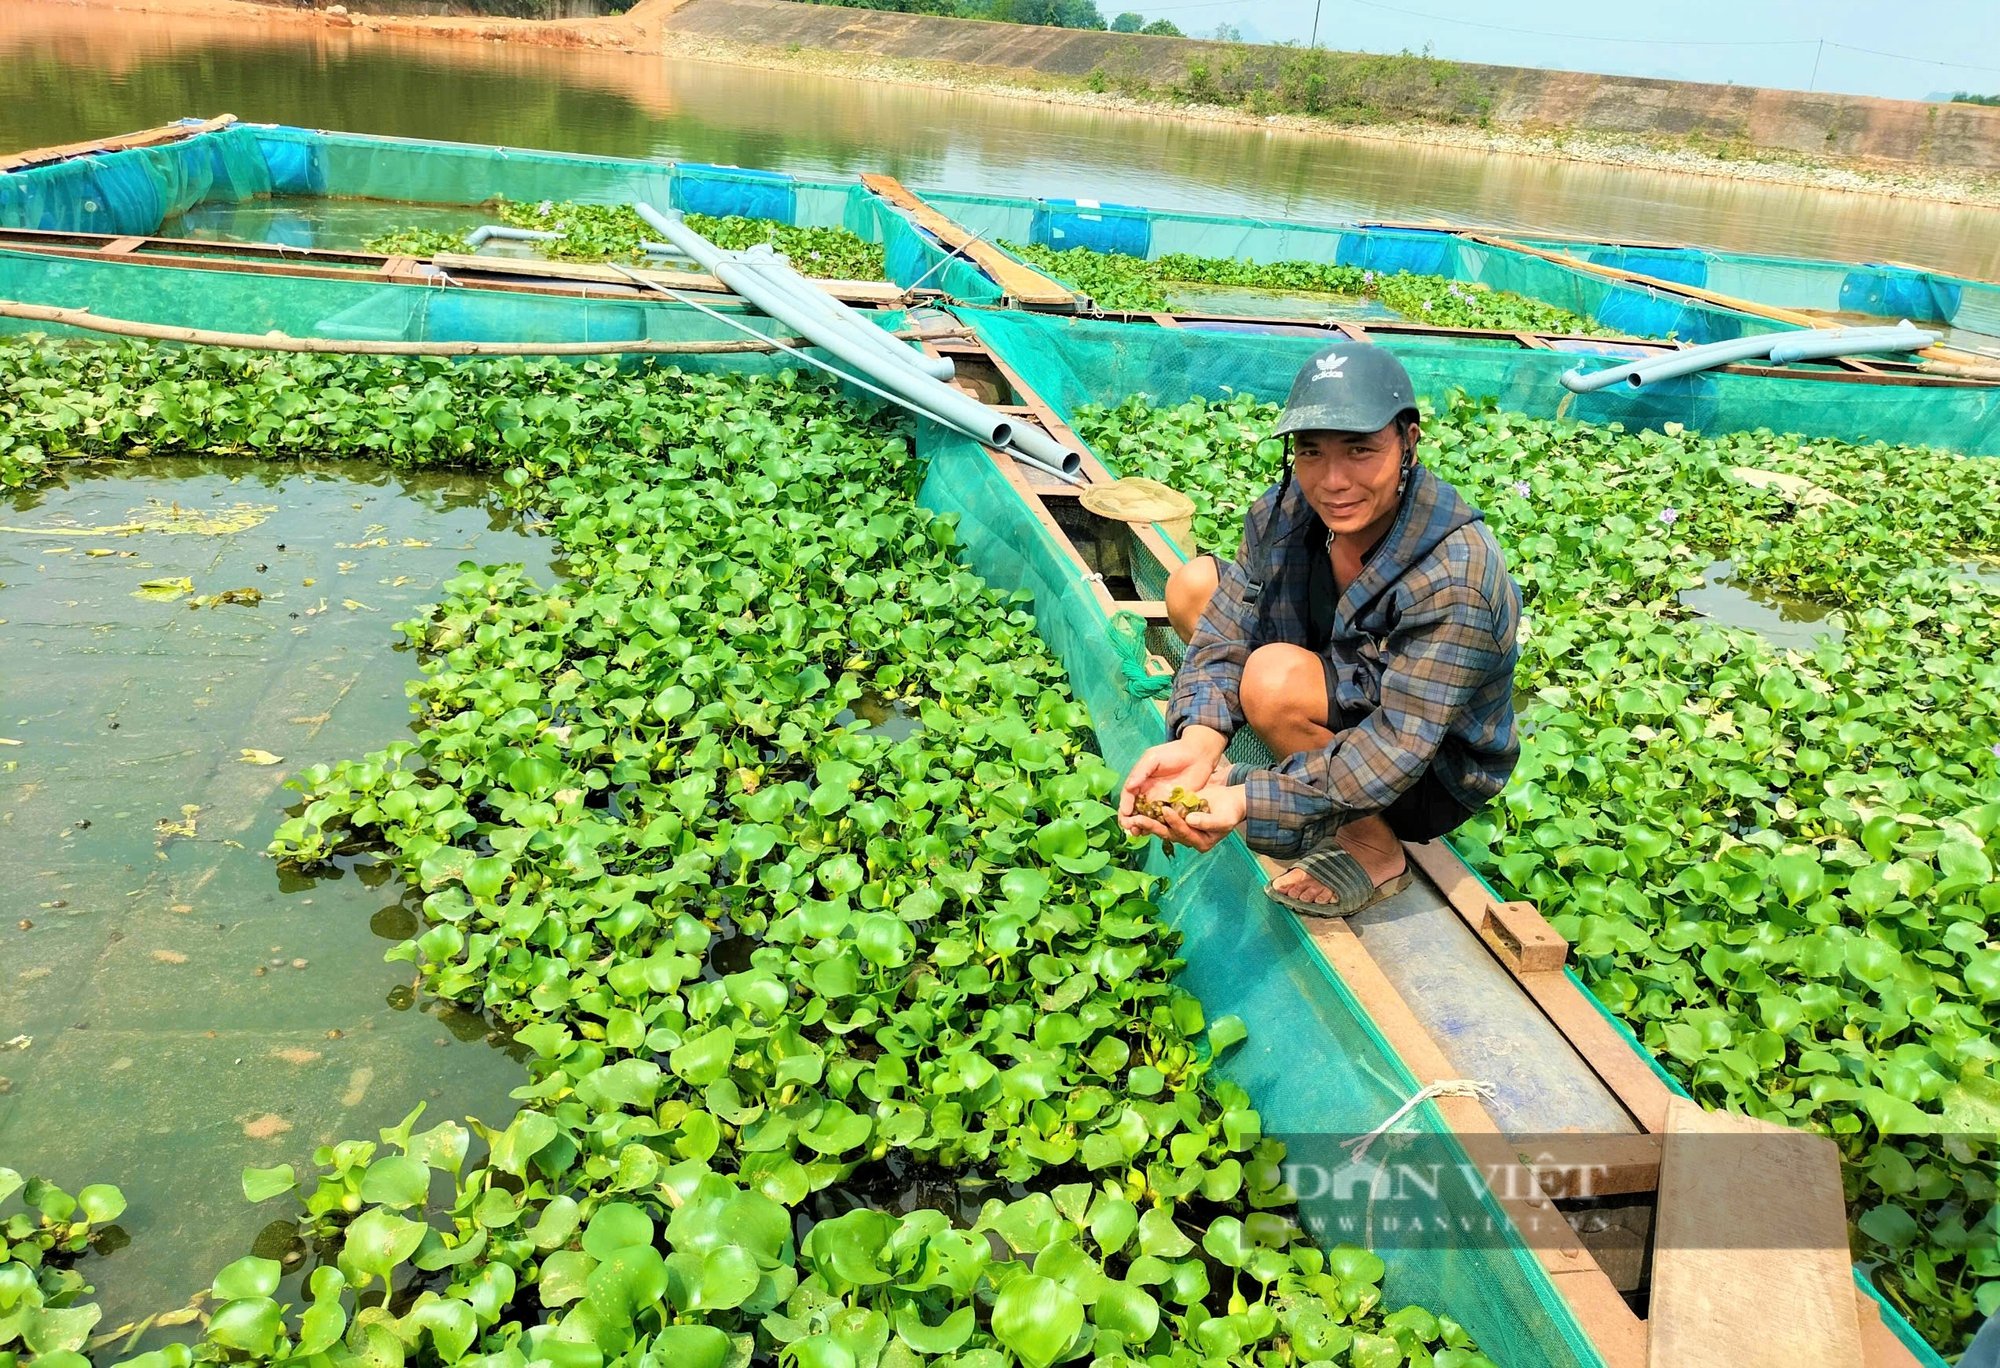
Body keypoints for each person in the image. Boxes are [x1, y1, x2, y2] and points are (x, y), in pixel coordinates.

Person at [1117, 344, 1522, 916]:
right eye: (1311, 452)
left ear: (1408, 441)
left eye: (1360, 450)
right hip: (1344, 684)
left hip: (1429, 768)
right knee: (1194, 586)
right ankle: (1282, 751)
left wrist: (1247, 800)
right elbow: (1227, 627)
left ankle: (1372, 846)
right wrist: (1197, 742)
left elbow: (1400, 746)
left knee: (1272, 680)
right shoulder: (1286, 512)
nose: (1333, 481)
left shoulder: (1455, 575)